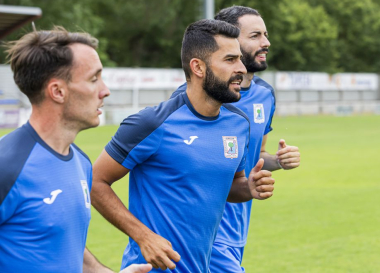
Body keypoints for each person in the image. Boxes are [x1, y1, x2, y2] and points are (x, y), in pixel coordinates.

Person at [91, 19, 275, 273]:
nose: (242, 68)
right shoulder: (152, 122)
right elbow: (94, 181)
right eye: (230, 60)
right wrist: (143, 236)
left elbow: (233, 186)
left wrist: (249, 187)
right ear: (198, 67)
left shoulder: (238, 124)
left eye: (241, 60)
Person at [0, 27, 152, 273]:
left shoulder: (81, 162)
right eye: (94, 79)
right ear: (58, 91)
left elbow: (63, 245)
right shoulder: (7, 166)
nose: (105, 90)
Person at [171, 6, 301, 272]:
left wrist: (277, 161)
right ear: (230, 41)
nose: (266, 42)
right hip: (203, 229)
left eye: (265, 34)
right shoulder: (190, 98)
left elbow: (256, 156)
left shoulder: (265, 95)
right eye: (255, 36)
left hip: (238, 226)